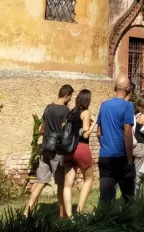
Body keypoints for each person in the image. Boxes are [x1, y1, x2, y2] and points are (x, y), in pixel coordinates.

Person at [25, 84, 74, 217]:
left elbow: (42, 129)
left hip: (45, 149)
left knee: (40, 181)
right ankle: (62, 215)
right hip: (57, 152)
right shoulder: (65, 111)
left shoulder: (48, 108)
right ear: (67, 95)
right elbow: (65, 132)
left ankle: (26, 211)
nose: (70, 99)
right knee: (61, 184)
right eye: (70, 97)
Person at [96, 75, 135, 204]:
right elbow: (127, 134)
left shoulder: (104, 105)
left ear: (115, 87)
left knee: (106, 196)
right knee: (128, 195)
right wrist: (130, 161)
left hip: (105, 156)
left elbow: (98, 132)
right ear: (128, 89)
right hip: (121, 156)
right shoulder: (128, 106)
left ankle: (104, 221)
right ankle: (128, 220)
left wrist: (106, 144)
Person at [62, 89, 96, 217]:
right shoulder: (85, 112)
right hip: (81, 148)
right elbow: (86, 134)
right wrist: (95, 122)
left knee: (67, 184)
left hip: (68, 150)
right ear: (88, 100)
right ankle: (80, 211)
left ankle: (69, 216)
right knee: (89, 179)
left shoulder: (71, 113)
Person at [133, 97, 144, 194]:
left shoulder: (134, 115)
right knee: (139, 172)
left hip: (132, 146)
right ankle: (135, 196)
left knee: (132, 171)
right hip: (140, 145)